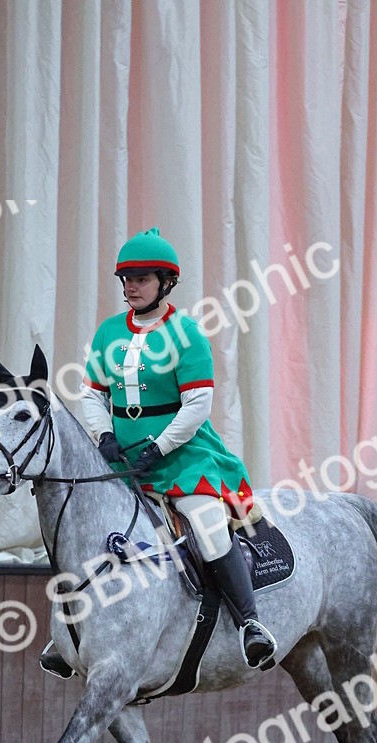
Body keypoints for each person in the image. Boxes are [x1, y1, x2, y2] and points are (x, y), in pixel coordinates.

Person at [74, 227, 278, 671]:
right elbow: (91, 393)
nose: (131, 287)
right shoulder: (109, 332)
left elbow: (197, 405)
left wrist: (160, 447)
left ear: (166, 283)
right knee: (84, 523)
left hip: (184, 456)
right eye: (126, 279)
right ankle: (69, 633)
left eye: (142, 279)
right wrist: (103, 435)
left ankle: (250, 623)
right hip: (123, 459)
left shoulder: (187, 334)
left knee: (207, 525)